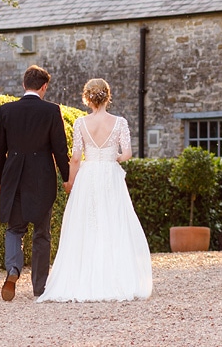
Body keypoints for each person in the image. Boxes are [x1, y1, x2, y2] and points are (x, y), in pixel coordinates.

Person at [36, 78, 153, 302]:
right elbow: (127, 153)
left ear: (87, 98)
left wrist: (70, 182)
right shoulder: (119, 122)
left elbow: (76, 157)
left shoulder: (80, 123)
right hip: (110, 175)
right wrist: (114, 158)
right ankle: (115, 277)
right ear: (107, 96)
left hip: (88, 176)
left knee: (86, 225)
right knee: (112, 222)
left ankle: (83, 277)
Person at [0, 64, 71, 301]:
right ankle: (39, 288)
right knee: (41, 233)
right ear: (44, 86)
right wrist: (66, 178)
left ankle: (13, 270)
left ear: (24, 85)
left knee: (15, 229)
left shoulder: (6, 111)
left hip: (13, 176)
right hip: (41, 178)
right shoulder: (52, 111)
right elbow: (60, 149)